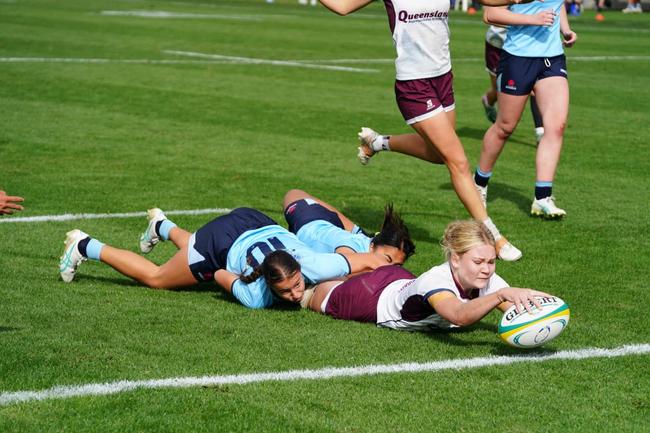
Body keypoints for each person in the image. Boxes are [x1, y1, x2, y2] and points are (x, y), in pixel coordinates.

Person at [319, 0, 533, 262]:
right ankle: (494, 237)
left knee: (436, 154)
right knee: (458, 161)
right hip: (413, 85)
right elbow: (341, 6)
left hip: (443, 77)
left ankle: (376, 143)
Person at [59, 207, 390, 309]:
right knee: (159, 278)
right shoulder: (256, 294)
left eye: (297, 285)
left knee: (193, 253)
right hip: (220, 242)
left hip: (252, 221)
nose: (294, 294)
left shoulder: (317, 265)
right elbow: (217, 274)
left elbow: (370, 261)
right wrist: (229, 270)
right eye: (286, 291)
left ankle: (161, 226)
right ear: (267, 283)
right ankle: (84, 245)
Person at [304, 220, 550, 331]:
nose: (486, 268)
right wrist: (502, 295)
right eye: (478, 261)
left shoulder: (485, 278)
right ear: (455, 259)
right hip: (368, 299)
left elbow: (520, 309)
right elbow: (459, 316)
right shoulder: (436, 281)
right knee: (313, 292)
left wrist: (546, 312)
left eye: (491, 261)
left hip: (399, 278)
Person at [476, 4, 577, 219]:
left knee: (556, 127)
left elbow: (557, 5)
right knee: (505, 127)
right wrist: (534, 19)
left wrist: (565, 29)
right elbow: (490, 14)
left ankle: (543, 197)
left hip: (553, 58)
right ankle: (479, 185)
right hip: (518, 58)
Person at [282, 189, 415, 265]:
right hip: (306, 217)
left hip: (329, 222)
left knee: (354, 229)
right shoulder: (349, 250)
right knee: (295, 193)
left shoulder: (368, 245)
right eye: (387, 259)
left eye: (395, 266)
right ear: (373, 246)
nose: (388, 267)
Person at [482, 24, 545, 145]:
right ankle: (488, 101)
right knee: (498, 90)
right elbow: (490, 15)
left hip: (523, 44)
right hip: (497, 43)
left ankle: (540, 132)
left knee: (533, 86)